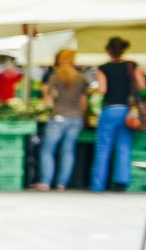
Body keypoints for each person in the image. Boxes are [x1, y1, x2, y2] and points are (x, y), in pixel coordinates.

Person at [37, 49, 90, 191]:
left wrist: (45, 100)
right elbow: (83, 101)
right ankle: (62, 184)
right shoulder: (82, 78)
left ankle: (46, 182)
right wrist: (83, 117)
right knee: (68, 151)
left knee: (48, 150)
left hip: (58, 117)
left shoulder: (55, 77)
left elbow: (50, 98)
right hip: (76, 119)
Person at [90, 36, 138, 193]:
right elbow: (141, 85)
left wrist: (94, 92)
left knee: (103, 148)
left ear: (108, 50)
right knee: (124, 147)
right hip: (128, 111)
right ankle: (121, 183)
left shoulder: (103, 68)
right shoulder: (132, 66)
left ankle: (98, 185)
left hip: (110, 110)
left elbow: (102, 90)